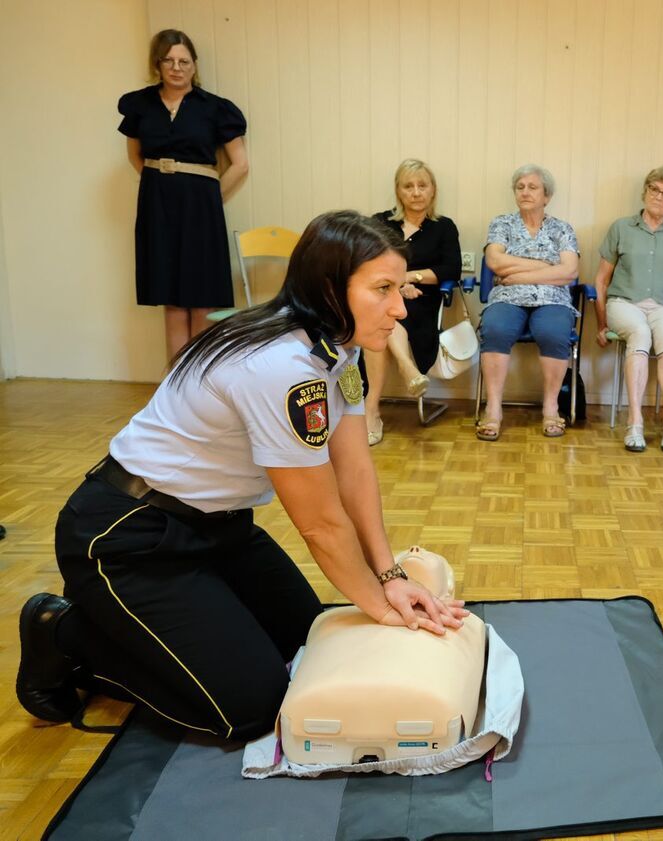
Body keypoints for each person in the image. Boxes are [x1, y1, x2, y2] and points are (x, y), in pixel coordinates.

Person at [15, 211, 468, 740]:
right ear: (328, 287)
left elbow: (354, 471)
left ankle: (148, 629)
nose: (399, 307)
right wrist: (381, 608)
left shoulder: (338, 346)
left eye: (402, 287)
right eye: (383, 289)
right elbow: (321, 523)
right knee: (249, 709)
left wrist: (388, 577)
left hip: (219, 529)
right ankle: (67, 635)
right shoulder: (281, 366)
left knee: (306, 646)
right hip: (129, 538)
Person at [118, 29, 250, 360]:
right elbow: (135, 155)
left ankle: (198, 381)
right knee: (171, 296)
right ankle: (174, 385)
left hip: (200, 206)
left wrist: (207, 198)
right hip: (157, 205)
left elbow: (240, 164)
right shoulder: (140, 105)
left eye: (184, 61)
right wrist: (160, 182)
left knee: (201, 293)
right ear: (158, 64)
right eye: (169, 61)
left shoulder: (215, 108)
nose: (177, 68)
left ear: (194, 65)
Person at [594, 166, 663, 452]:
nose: (659, 196)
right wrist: (601, 324)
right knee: (640, 334)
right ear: (645, 190)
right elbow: (601, 281)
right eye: (654, 189)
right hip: (624, 304)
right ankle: (635, 423)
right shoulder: (621, 228)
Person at [476, 165, 580, 441]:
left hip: (553, 299)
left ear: (547, 196)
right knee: (495, 329)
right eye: (520, 187)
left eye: (533, 187)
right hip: (508, 297)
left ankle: (550, 406)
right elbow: (494, 261)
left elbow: (569, 271)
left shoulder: (562, 229)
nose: (525, 192)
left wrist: (520, 273)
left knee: (554, 332)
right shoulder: (502, 224)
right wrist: (545, 266)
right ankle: (494, 408)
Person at [362, 159, 463, 446]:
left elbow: (451, 270)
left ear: (433, 191)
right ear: (398, 191)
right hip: (381, 298)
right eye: (409, 186)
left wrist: (409, 279)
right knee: (379, 319)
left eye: (422, 186)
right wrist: (394, 287)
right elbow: (365, 262)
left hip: (421, 302)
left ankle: (372, 412)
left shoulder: (443, 227)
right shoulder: (380, 223)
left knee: (383, 322)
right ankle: (408, 372)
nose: (416, 192)